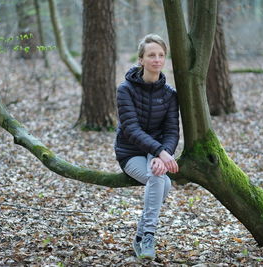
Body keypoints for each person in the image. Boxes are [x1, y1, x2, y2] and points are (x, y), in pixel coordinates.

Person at [114, 34, 180, 260]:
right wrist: (161, 153)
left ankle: (140, 238)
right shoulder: (125, 89)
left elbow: (172, 131)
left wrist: (162, 155)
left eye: (161, 55)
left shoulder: (170, 94)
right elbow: (130, 129)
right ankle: (148, 236)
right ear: (141, 59)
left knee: (162, 179)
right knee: (160, 180)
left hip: (157, 152)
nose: (157, 59)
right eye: (151, 55)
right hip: (129, 152)